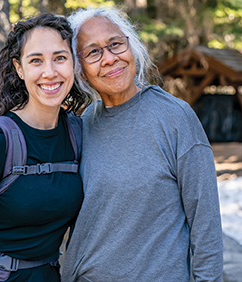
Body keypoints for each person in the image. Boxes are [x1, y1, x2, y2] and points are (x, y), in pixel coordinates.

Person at [62, 6, 223, 282]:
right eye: (93, 52)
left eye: (115, 44)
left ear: (131, 46)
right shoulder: (84, 123)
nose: (110, 59)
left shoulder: (175, 117)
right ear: (80, 70)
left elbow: (205, 223)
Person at [0, 13, 89, 282]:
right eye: (36, 60)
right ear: (19, 68)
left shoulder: (79, 133)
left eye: (60, 58)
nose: (49, 72)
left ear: (73, 64)